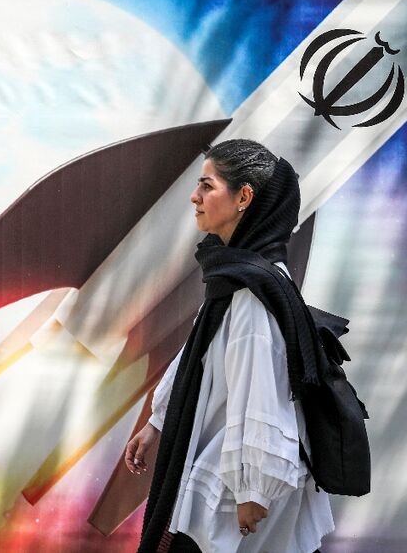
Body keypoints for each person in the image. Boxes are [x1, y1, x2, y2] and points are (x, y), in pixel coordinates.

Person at [124, 140, 335, 553]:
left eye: (207, 186)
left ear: (244, 197)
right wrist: (157, 422)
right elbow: (200, 354)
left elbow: (263, 392)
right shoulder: (235, 276)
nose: (194, 196)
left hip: (235, 484)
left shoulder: (254, 294)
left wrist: (252, 489)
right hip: (222, 465)